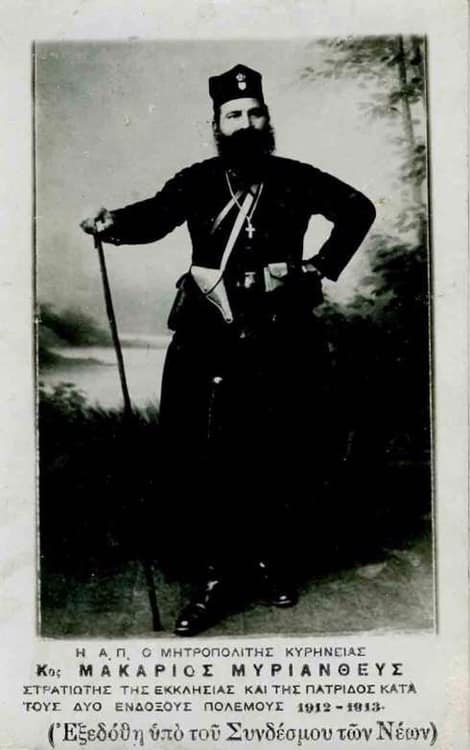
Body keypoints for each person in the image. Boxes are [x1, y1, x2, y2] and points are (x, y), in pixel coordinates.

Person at [81, 64, 376, 636]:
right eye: (234, 115)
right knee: (203, 454)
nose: (245, 123)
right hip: (207, 335)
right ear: (216, 124)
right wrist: (112, 222)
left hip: (281, 333)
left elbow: (359, 208)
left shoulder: (297, 177)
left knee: (281, 449)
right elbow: (155, 216)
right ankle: (216, 577)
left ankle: (269, 562)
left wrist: (317, 266)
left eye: (254, 113)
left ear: (267, 120)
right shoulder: (196, 180)